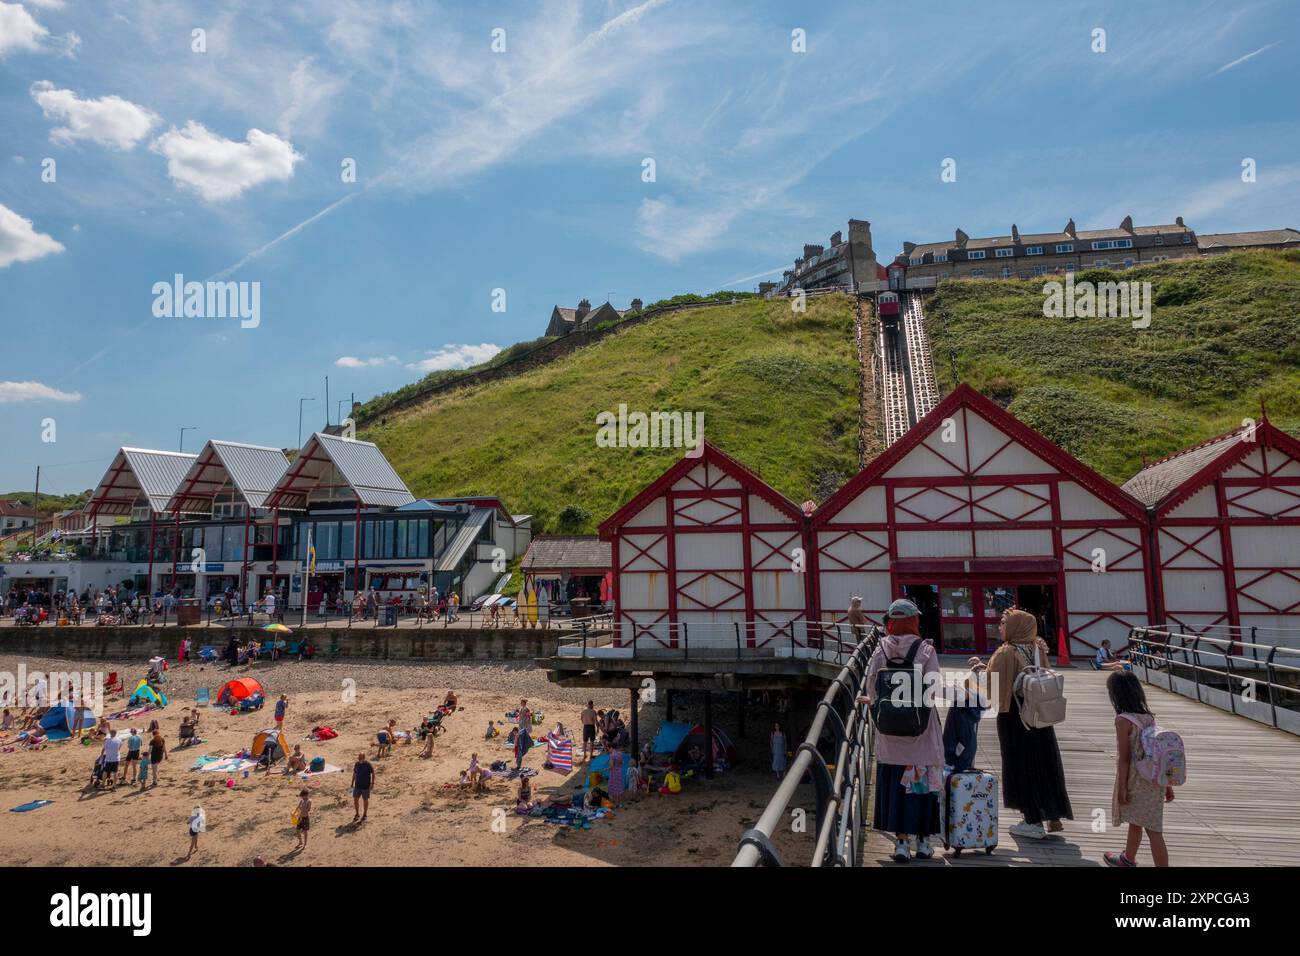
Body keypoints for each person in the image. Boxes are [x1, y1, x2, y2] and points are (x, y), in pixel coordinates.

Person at [972, 607, 1073, 840]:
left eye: (1004, 622)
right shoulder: (1037, 648)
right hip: (1040, 715)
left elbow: (993, 688)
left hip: (1015, 717)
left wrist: (978, 673)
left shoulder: (1006, 652)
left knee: (1020, 765)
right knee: (1043, 763)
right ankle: (1050, 813)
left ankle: (1031, 821)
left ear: (1015, 626)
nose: (999, 626)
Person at [857, 598, 943, 862]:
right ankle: (924, 842)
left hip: (890, 735)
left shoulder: (881, 649)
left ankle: (901, 844)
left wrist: (872, 703)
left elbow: (871, 685)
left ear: (891, 623)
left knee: (895, 789)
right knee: (922, 789)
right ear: (914, 621)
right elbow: (934, 688)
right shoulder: (925, 650)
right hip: (921, 734)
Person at [1104, 671, 1174, 867]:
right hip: (1154, 778)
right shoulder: (1148, 718)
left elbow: (1124, 758)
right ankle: (1128, 858)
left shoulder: (1122, 720)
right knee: (1138, 820)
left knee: (1153, 829)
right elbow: (1158, 754)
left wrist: (1122, 788)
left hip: (1135, 779)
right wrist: (1166, 784)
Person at [351, 753, 374, 821]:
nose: (359, 759)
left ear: (364, 757)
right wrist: (352, 783)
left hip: (365, 786)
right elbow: (354, 773)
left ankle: (365, 814)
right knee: (355, 800)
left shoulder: (368, 764)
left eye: (361, 758)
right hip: (357, 785)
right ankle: (357, 814)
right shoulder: (357, 764)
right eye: (359, 758)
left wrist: (372, 783)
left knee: (365, 800)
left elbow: (373, 773)